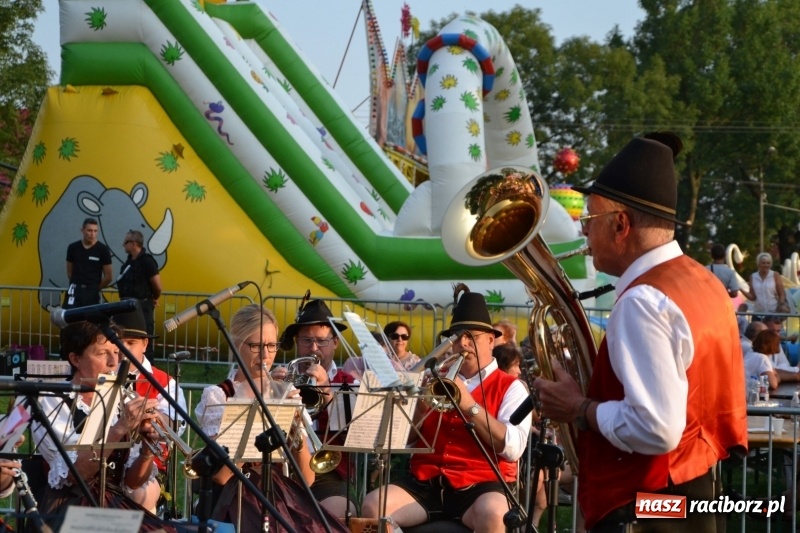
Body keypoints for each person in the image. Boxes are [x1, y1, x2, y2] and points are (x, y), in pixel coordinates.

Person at [532, 133, 747, 532]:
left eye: (589, 221)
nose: (584, 234)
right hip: (691, 494)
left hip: (643, 506)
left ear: (620, 224)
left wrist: (578, 407)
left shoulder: (642, 300)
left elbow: (656, 428)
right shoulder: (704, 281)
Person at [361, 284, 532, 531]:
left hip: (483, 485)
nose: (463, 343)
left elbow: (513, 448)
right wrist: (418, 410)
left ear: (490, 340)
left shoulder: (512, 388)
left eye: (471, 336)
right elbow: (401, 442)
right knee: (373, 506)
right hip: (427, 483)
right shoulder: (434, 378)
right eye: (457, 337)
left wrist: (469, 405)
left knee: (494, 514)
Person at [195, 304, 349, 532]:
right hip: (234, 499)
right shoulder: (219, 395)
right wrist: (256, 405)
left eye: (271, 345)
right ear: (237, 345)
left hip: (278, 495)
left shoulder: (283, 391)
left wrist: (293, 421)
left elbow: (307, 478)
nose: (267, 356)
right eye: (256, 346)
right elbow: (222, 475)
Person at [27, 320, 173, 531]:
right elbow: (75, 473)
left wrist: (147, 450)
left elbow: (132, 483)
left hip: (114, 503)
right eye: (102, 353)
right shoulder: (51, 400)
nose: (114, 362)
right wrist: (119, 429)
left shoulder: (122, 398)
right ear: (75, 358)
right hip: (71, 504)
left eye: (116, 352)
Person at [277, 296, 357, 517]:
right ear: (296, 341)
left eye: (321, 341)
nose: (314, 348)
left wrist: (328, 391)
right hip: (282, 468)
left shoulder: (348, 383)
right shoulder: (281, 378)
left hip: (328, 473)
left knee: (337, 514)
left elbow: (354, 435)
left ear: (335, 342)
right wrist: (271, 392)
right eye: (306, 340)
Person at [111, 299, 188, 512]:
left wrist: (153, 419)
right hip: (107, 460)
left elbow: (175, 424)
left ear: (145, 343)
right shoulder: (103, 377)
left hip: (149, 464)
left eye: (131, 343)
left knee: (139, 495)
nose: (122, 351)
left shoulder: (165, 382)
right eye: (118, 344)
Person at [116, 230, 162, 362]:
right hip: (126, 306)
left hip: (142, 306)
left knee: (143, 338)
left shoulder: (147, 262)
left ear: (134, 243)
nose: (123, 245)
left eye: (126, 242)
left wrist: (153, 298)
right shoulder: (129, 262)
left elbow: (157, 285)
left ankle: (147, 369)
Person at [64, 217, 112, 309]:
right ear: (82, 230)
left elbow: (108, 277)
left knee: (90, 321)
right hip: (74, 291)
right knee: (70, 319)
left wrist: (94, 289)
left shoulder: (103, 249)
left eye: (95, 231)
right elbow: (69, 273)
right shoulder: (73, 248)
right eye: (89, 230)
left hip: (91, 293)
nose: (92, 234)